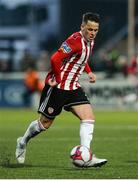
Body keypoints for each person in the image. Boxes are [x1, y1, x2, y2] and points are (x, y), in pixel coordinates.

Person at [15, 12, 107, 167]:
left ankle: (86, 155)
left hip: (73, 87)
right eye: (89, 29)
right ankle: (22, 141)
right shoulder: (74, 41)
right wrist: (57, 78)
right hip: (58, 88)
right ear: (82, 27)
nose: (92, 33)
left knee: (89, 118)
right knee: (44, 124)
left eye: (95, 30)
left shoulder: (90, 42)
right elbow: (55, 59)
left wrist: (89, 71)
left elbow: (81, 59)